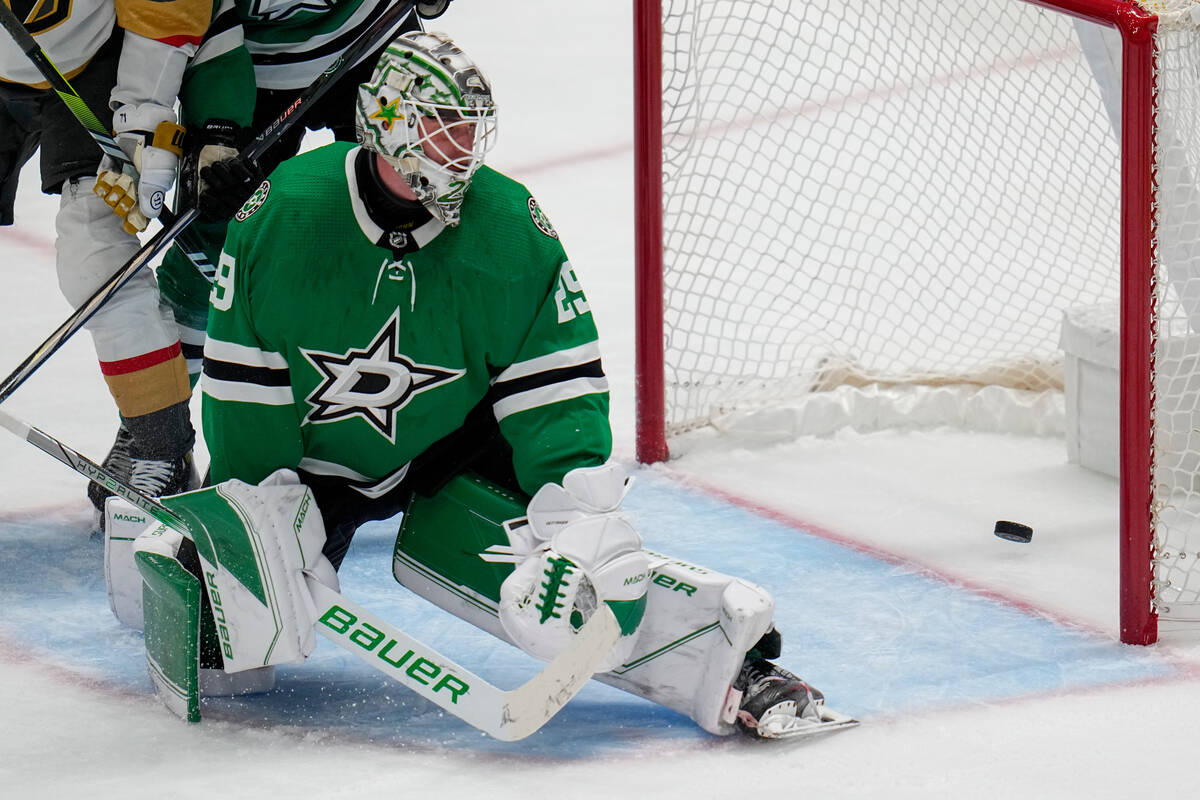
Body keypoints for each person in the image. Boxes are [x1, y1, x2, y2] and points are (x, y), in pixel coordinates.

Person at [129, 31, 828, 739]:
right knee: (225, 648)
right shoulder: (285, 212)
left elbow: (553, 380)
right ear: (389, 126)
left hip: (452, 440)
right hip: (311, 466)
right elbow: (242, 388)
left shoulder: (508, 227)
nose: (460, 147)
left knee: (570, 583)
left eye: (467, 129)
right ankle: (187, 557)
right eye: (440, 128)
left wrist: (578, 513)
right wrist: (262, 510)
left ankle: (732, 666)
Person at [1, 0, 252, 526]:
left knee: (95, 254)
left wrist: (145, 121)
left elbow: (166, 12)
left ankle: (158, 447)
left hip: (100, 61)